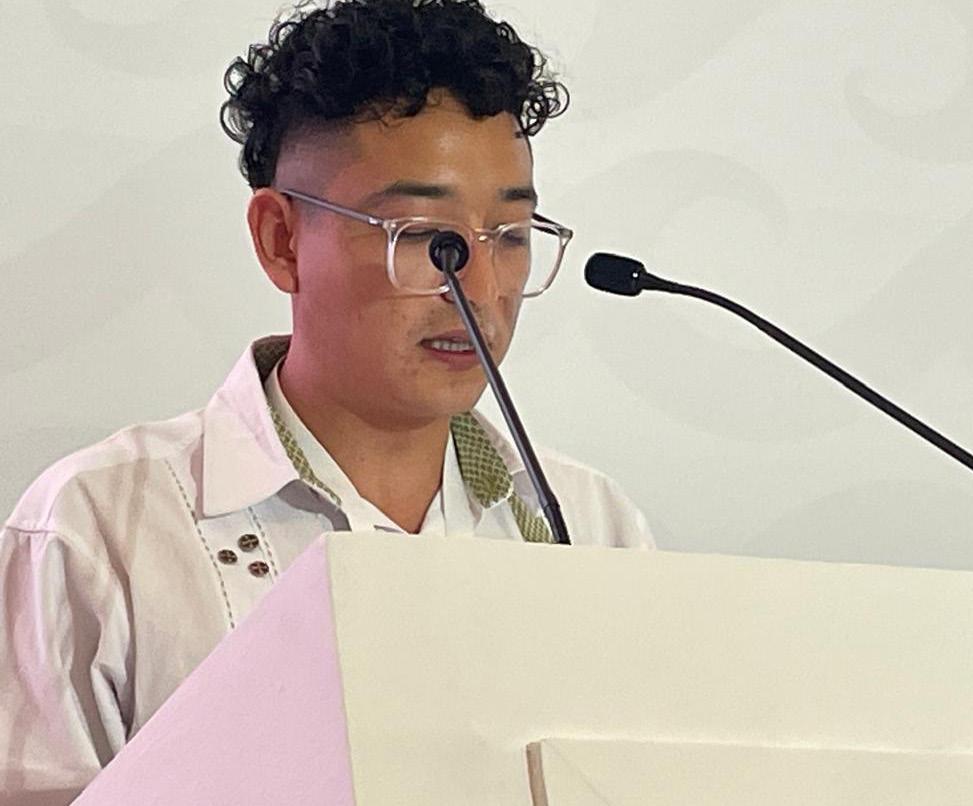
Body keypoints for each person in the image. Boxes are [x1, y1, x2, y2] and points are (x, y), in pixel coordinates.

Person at [0, 0, 654, 800]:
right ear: (281, 241)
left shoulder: (589, 526)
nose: (482, 290)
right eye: (428, 239)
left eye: (511, 236)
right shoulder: (99, 528)